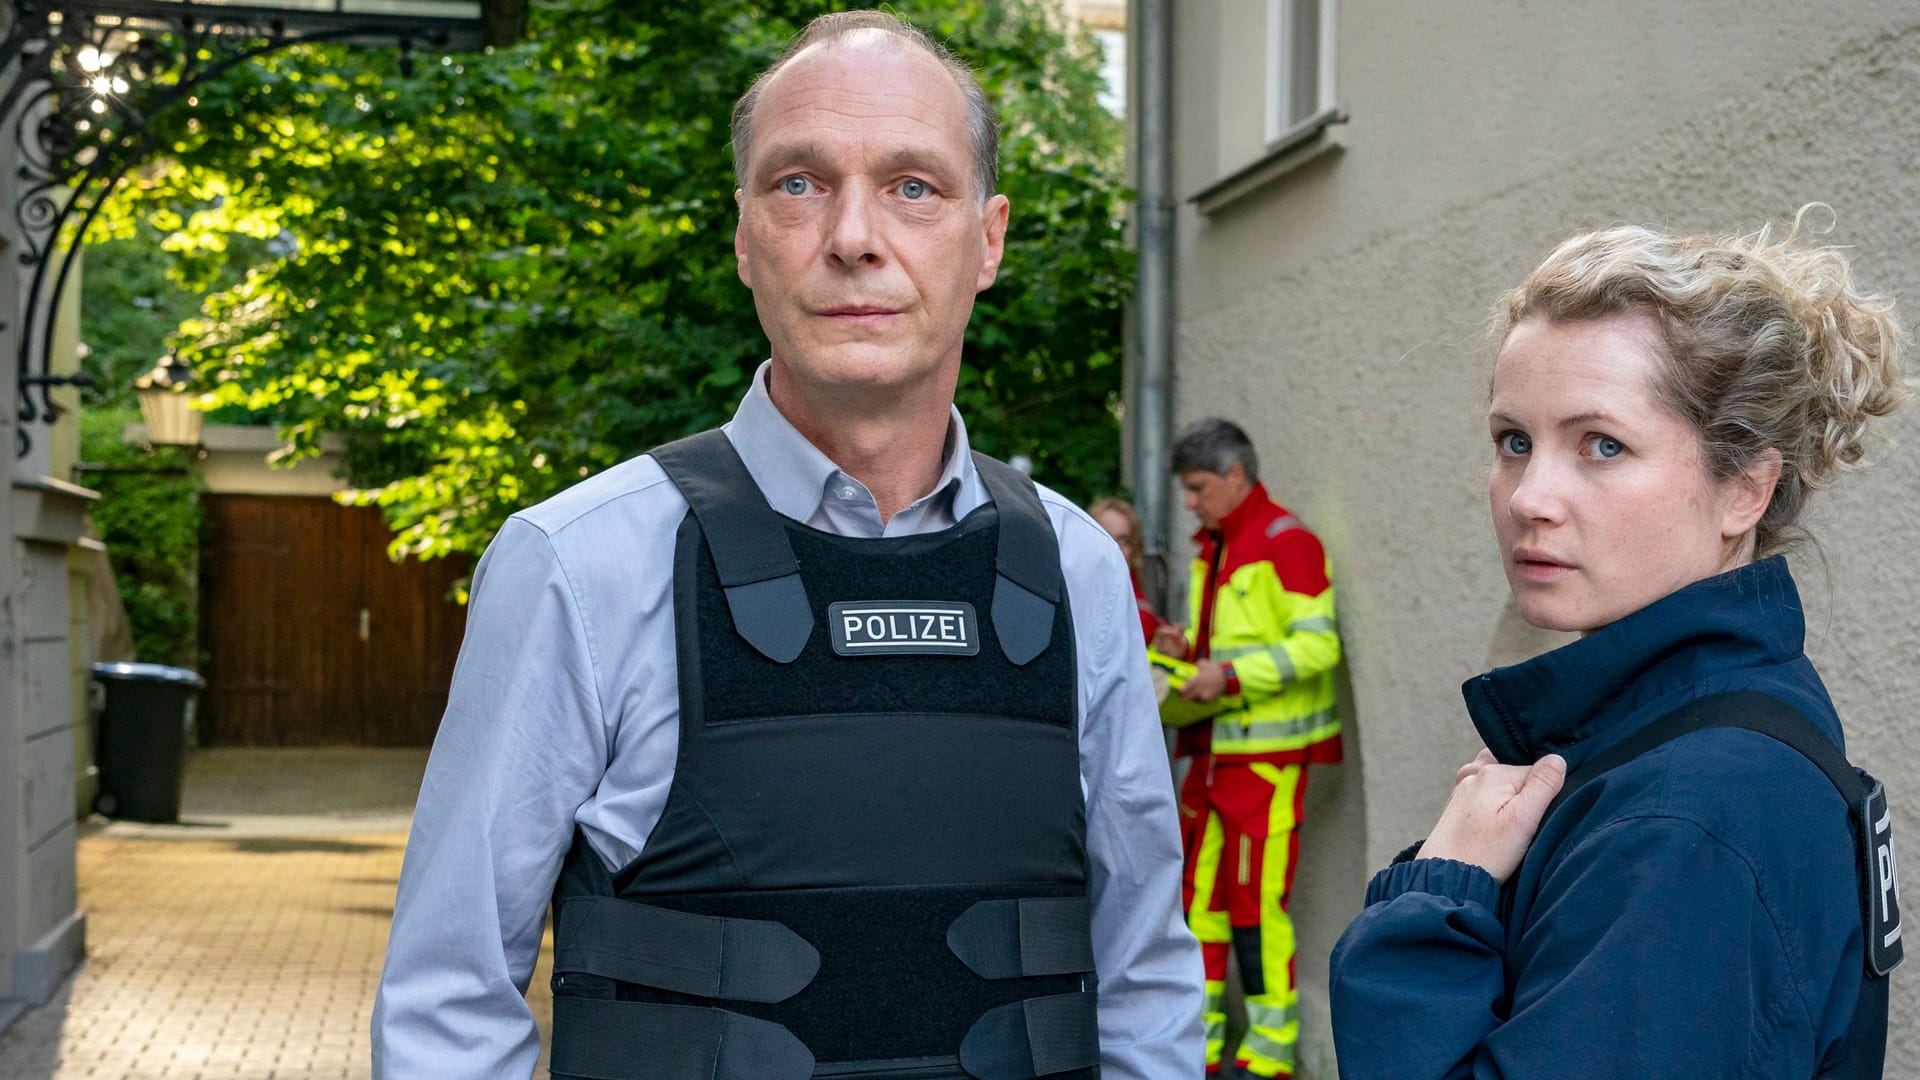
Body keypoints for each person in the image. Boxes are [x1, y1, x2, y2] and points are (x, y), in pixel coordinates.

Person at [370, 12, 1203, 1079]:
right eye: (799, 183)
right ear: (743, 235)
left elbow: (1143, 979)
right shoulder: (580, 566)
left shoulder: (1077, 571)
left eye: (914, 186)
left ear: (987, 240)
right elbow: (449, 1001)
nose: (855, 235)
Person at [1330, 213, 1908, 1077]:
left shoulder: (1695, 813)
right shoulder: (1674, 737)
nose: (1530, 497)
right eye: (1513, 441)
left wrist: (1439, 894)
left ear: (1743, 491)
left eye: (1602, 445)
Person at [1150, 418, 1342, 1079]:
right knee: (1198, 903)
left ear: (1236, 477)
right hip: (1213, 756)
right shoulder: (1219, 544)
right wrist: (1186, 650)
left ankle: (1269, 1055)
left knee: (1255, 906)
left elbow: (1319, 647)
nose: (1191, 503)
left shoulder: (1285, 543)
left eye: (1199, 488)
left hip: (1266, 761)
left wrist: (1224, 676)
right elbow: (1228, 644)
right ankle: (1197, 1046)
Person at [1090, 495, 1164, 642]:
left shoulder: (1140, 611)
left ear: (1134, 549)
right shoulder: (1070, 592)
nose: (1115, 548)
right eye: (1105, 537)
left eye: (1123, 540)